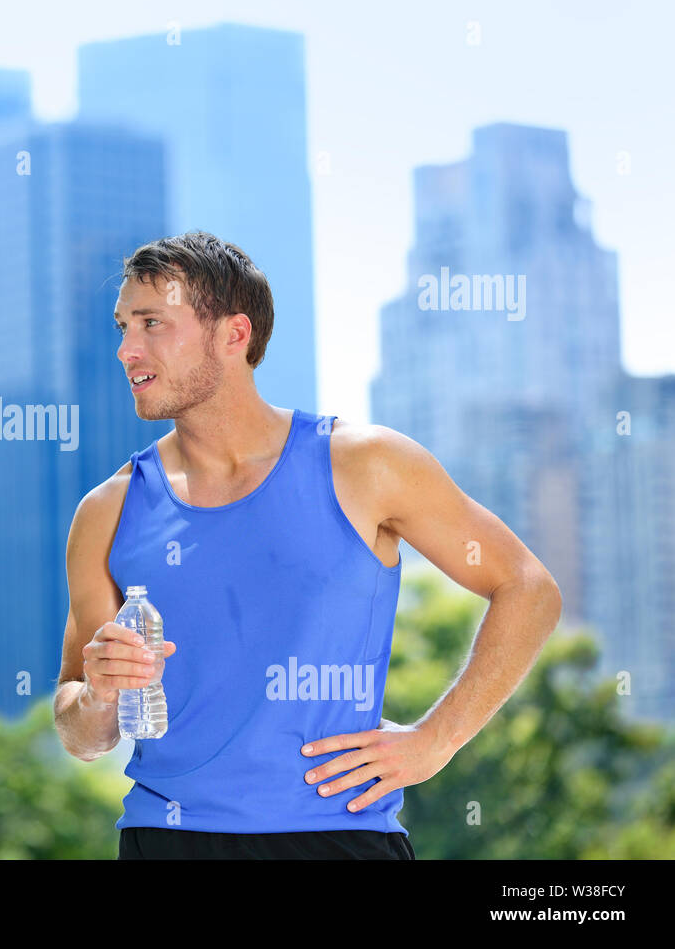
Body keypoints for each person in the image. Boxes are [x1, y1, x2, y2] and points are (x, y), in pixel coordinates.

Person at [52, 230, 562, 859]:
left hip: (339, 837)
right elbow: (82, 730)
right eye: (123, 325)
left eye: (153, 323)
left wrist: (437, 740)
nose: (128, 349)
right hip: (165, 840)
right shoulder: (108, 511)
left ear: (233, 336)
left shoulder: (365, 464)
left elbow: (527, 588)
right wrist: (100, 694)